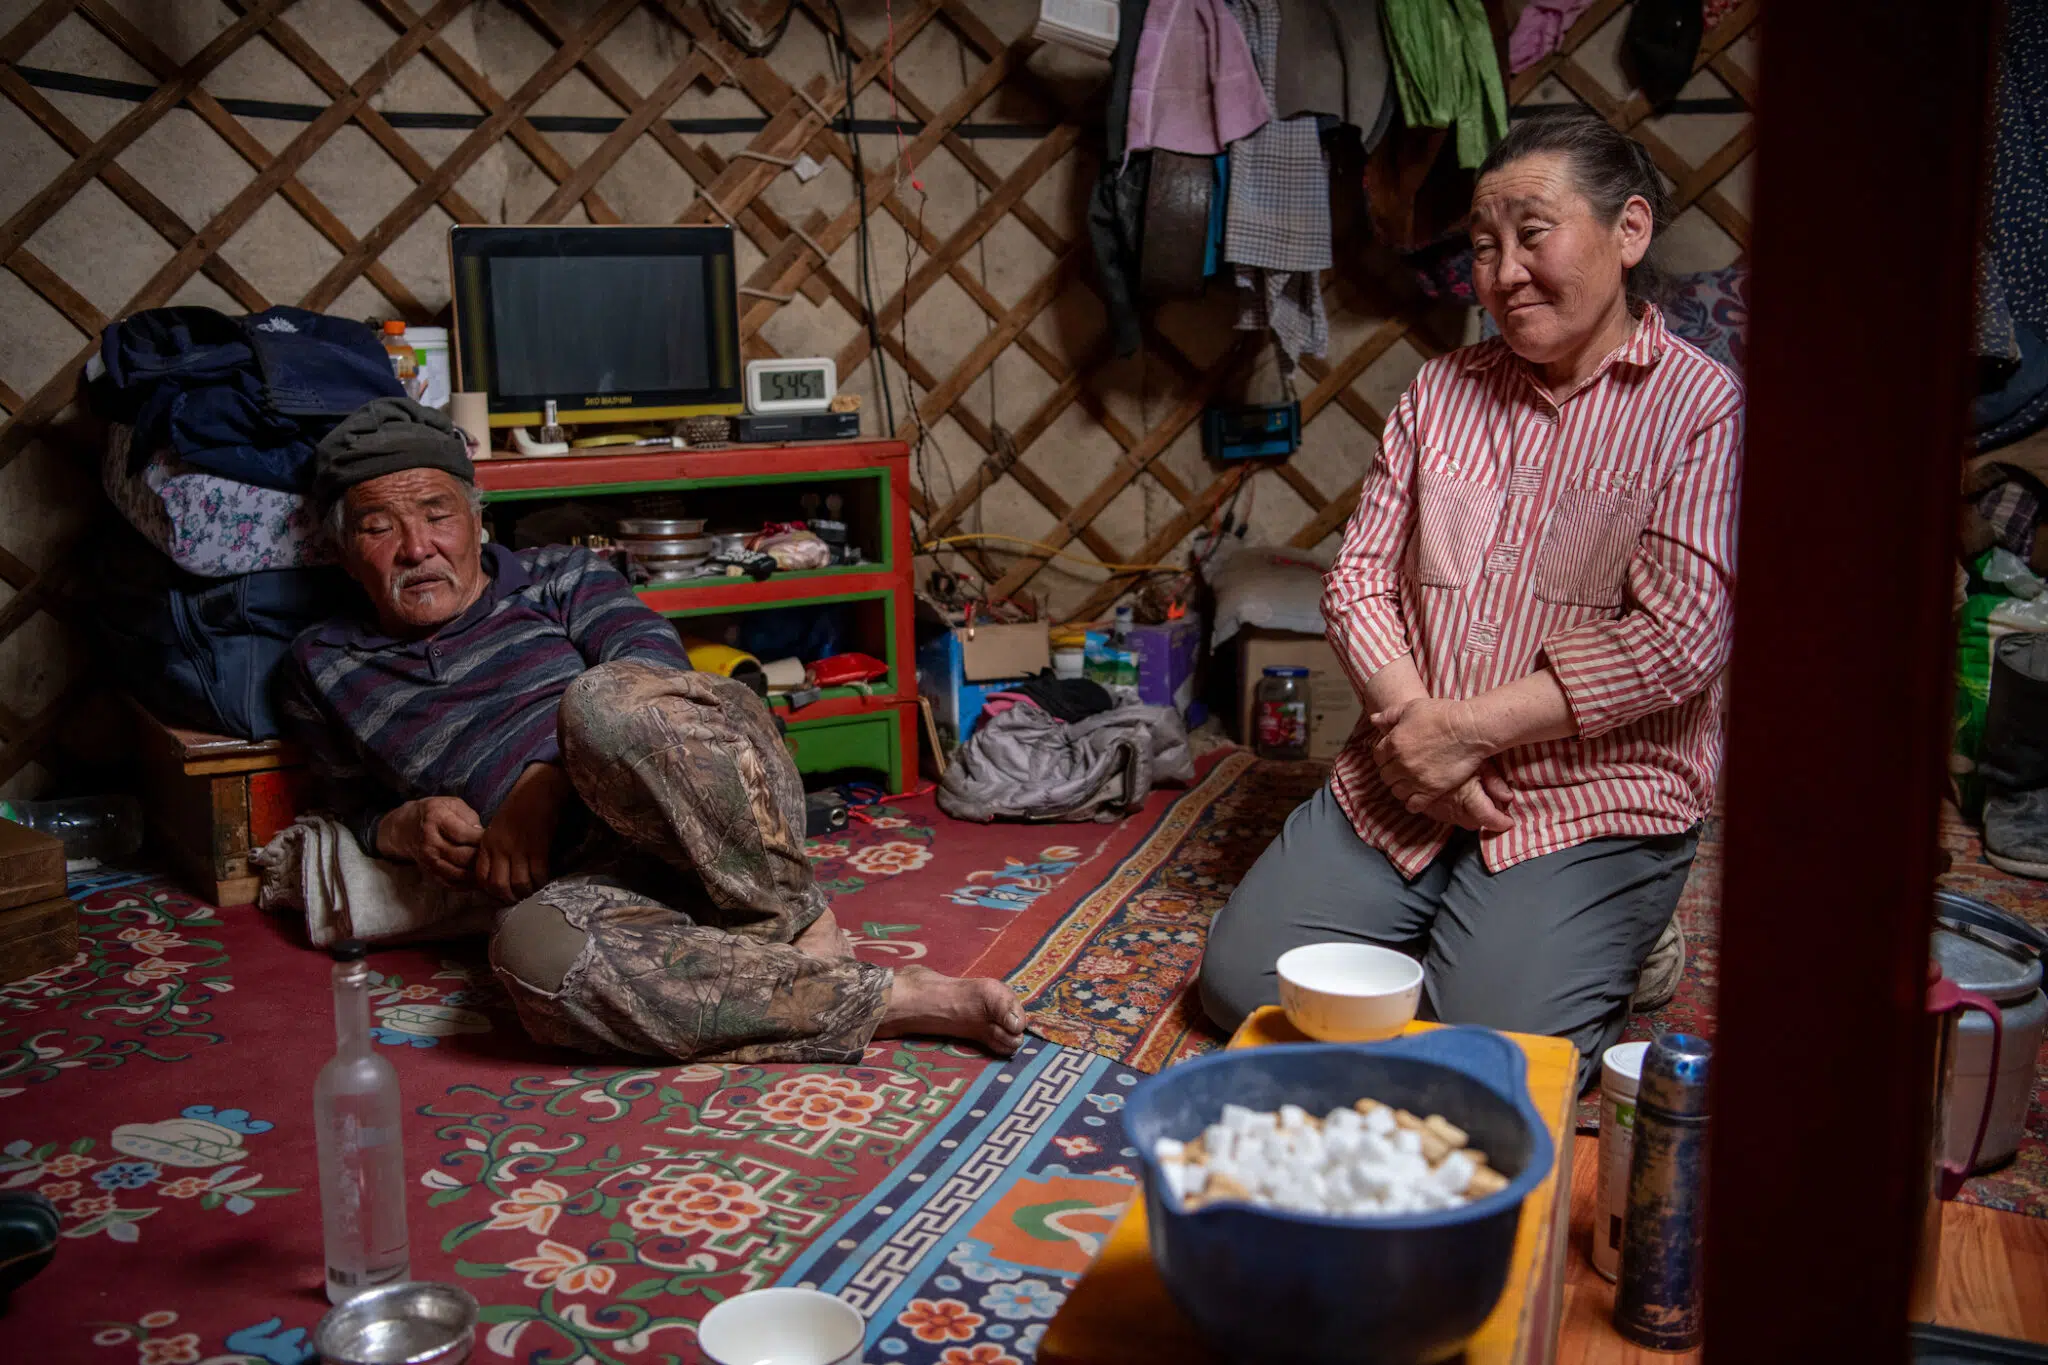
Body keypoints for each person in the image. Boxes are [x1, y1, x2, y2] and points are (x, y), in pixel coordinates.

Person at [1197, 110, 1742, 1089]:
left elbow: (1677, 638)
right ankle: (1467, 932)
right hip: (1405, 771)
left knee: (1498, 1052)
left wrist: (1467, 733)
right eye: (1484, 247)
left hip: (1587, 796)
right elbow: (1359, 580)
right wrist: (1418, 732)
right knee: (1244, 987)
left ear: (1627, 230)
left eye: (1532, 235)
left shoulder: (1700, 409)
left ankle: (1609, 942)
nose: (1504, 272)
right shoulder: (1438, 394)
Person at [280, 397, 1024, 1063]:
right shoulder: (324, 665)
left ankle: (792, 922)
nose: (416, 547)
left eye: (437, 515)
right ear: (343, 550)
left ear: (477, 521)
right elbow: (348, 802)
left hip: (703, 807)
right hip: (590, 883)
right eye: (379, 527)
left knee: (604, 700)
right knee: (533, 957)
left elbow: (657, 673)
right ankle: (887, 999)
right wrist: (402, 826)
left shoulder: (559, 576)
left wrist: (544, 782)